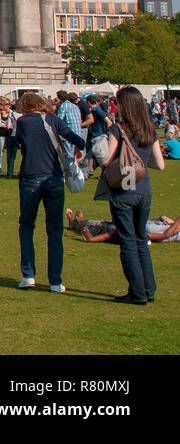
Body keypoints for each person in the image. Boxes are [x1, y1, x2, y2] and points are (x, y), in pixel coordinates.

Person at [91, 86, 165, 304]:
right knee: (141, 239)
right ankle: (148, 289)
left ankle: (137, 292)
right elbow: (159, 164)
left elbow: (106, 160)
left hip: (124, 187)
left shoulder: (118, 130)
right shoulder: (149, 130)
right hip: (143, 188)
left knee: (128, 241)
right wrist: (140, 162)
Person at [12, 91, 85, 292]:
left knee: (27, 225)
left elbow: (16, 143)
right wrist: (77, 152)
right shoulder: (53, 119)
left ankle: (28, 275)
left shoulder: (23, 122)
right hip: (53, 176)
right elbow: (78, 140)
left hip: (30, 176)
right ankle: (55, 281)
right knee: (54, 230)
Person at [67, 209, 180, 244]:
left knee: (87, 223)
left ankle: (76, 221)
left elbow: (91, 239)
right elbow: (149, 223)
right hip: (129, 224)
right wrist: (161, 217)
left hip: (104, 227)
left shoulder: (116, 232)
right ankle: (77, 221)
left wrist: (83, 227)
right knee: (89, 223)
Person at [0, 95, 18, 178]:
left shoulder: (11, 112)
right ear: (2, 104)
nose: (9, 105)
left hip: (10, 134)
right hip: (1, 133)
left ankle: (9, 171)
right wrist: (8, 125)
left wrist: (9, 126)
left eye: (9, 104)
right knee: (0, 152)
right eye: (7, 104)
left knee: (9, 153)